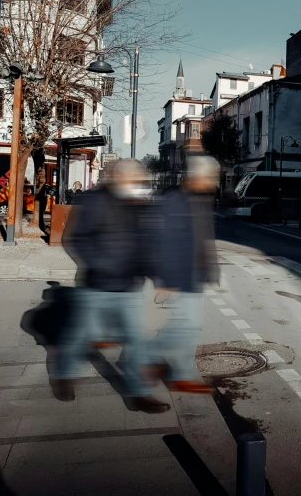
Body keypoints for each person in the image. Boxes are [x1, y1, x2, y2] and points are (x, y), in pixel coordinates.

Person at [54, 159, 170, 413]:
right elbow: (74, 238)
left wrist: (157, 276)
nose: (135, 184)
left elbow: (146, 245)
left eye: (138, 179)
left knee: (138, 339)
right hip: (95, 286)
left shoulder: (139, 206)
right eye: (132, 178)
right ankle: (64, 374)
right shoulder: (94, 201)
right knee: (81, 337)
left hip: (128, 287)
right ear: (118, 177)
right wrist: (102, 265)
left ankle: (138, 393)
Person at [148, 153, 220, 393]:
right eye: (210, 177)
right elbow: (162, 240)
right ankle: (149, 357)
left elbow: (204, 238)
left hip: (195, 273)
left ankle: (182, 374)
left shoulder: (200, 199)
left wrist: (211, 270)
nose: (213, 181)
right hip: (180, 273)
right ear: (199, 176)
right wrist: (163, 278)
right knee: (184, 325)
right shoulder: (175, 200)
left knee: (191, 325)